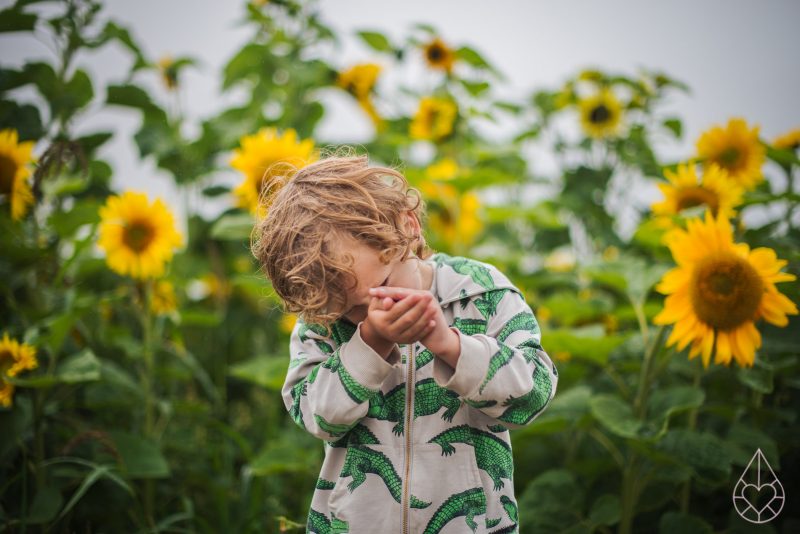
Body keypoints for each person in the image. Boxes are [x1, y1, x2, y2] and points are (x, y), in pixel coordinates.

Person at [250, 151, 558, 533]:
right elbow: (316, 416)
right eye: (350, 311)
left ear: (407, 227)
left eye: (380, 287)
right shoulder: (324, 318)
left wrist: (448, 345)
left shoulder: (481, 291)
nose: (371, 311)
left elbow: (534, 392)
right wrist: (369, 343)